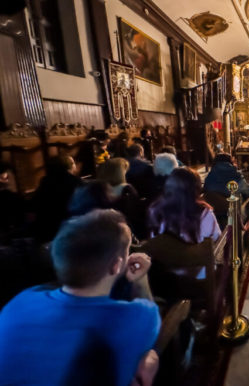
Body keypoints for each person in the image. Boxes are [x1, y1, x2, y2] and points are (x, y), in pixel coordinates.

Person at [0, 210, 161, 386]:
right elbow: (152, 329)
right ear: (116, 265)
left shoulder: (20, 301)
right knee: (149, 358)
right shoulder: (137, 316)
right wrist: (140, 281)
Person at [148, 168, 221, 244]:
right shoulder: (204, 213)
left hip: (163, 252)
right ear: (196, 188)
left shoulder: (155, 210)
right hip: (199, 251)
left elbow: (154, 243)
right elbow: (217, 241)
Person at [31, 155, 82, 243]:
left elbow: (35, 204)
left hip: (46, 229)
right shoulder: (76, 182)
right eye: (73, 163)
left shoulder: (45, 181)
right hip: (69, 228)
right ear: (69, 166)